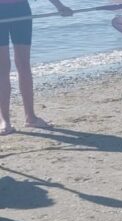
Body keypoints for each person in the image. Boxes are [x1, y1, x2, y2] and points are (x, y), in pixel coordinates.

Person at [1, 0, 71, 135]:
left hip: (20, 8)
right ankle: (4, 120)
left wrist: (60, 6)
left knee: (24, 64)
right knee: (2, 68)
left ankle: (31, 117)